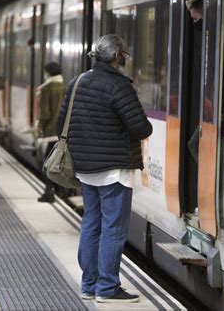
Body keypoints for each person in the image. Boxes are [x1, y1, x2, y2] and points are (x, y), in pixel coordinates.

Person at [57, 34, 153, 303]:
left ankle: (89, 284)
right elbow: (141, 128)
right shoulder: (119, 86)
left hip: (85, 169)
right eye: (124, 55)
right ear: (116, 56)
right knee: (113, 228)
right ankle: (108, 288)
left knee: (91, 224)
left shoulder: (78, 82)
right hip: (114, 170)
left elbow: (60, 125)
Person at [36, 62, 65, 203]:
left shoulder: (46, 89)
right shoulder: (65, 87)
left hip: (51, 132)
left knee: (47, 164)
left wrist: (39, 127)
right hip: (63, 132)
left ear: (47, 73)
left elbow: (45, 113)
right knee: (59, 163)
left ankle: (49, 192)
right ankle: (60, 191)